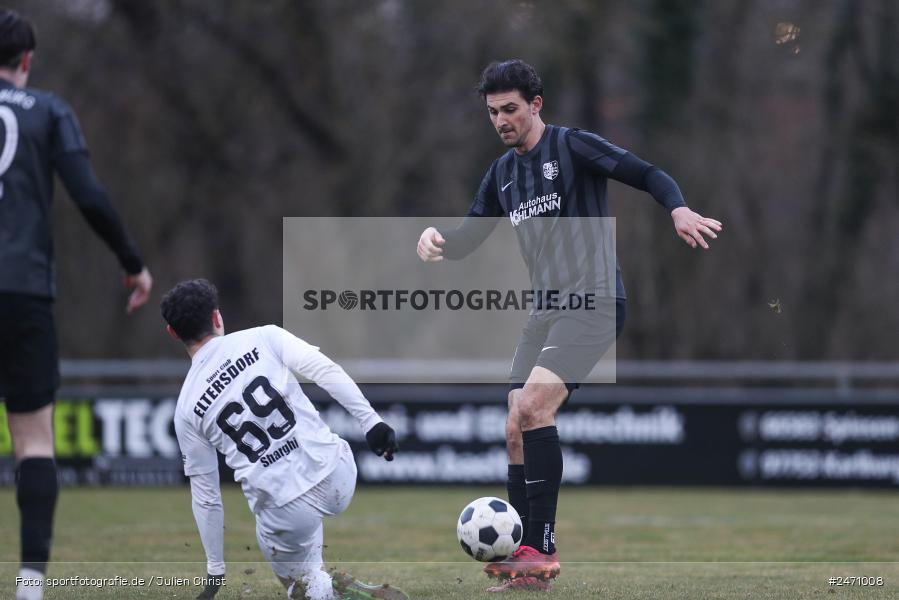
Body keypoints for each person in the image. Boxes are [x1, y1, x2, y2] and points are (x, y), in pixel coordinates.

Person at [416, 59, 723, 592]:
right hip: (546, 310)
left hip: (595, 302)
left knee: (534, 407)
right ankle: (521, 558)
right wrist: (435, 238)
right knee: (515, 421)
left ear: (536, 105)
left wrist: (677, 209)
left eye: (510, 109)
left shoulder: (573, 146)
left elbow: (648, 174)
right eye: (493, 112)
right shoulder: (501, 175)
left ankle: (543, 549)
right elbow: (468, 239)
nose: (501, 120)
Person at [0, 11, 153, 600]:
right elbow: (88, 194)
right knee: (34, 441)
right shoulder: (49, 111)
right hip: (24, 291)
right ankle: (31, 581)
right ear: (28, 61)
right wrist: (131, 260)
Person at [161, 279, 407, 600]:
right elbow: (325, 370)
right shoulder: (264, 336)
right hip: (338, 471)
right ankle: (328, 581)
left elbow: (206, 496)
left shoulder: (186, 406)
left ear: (173, 333)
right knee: (304, 535)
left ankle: (323, 588)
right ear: (217, 317)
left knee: (298, 585)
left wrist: (215, 571)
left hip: (286, 507)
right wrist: (371, 422)